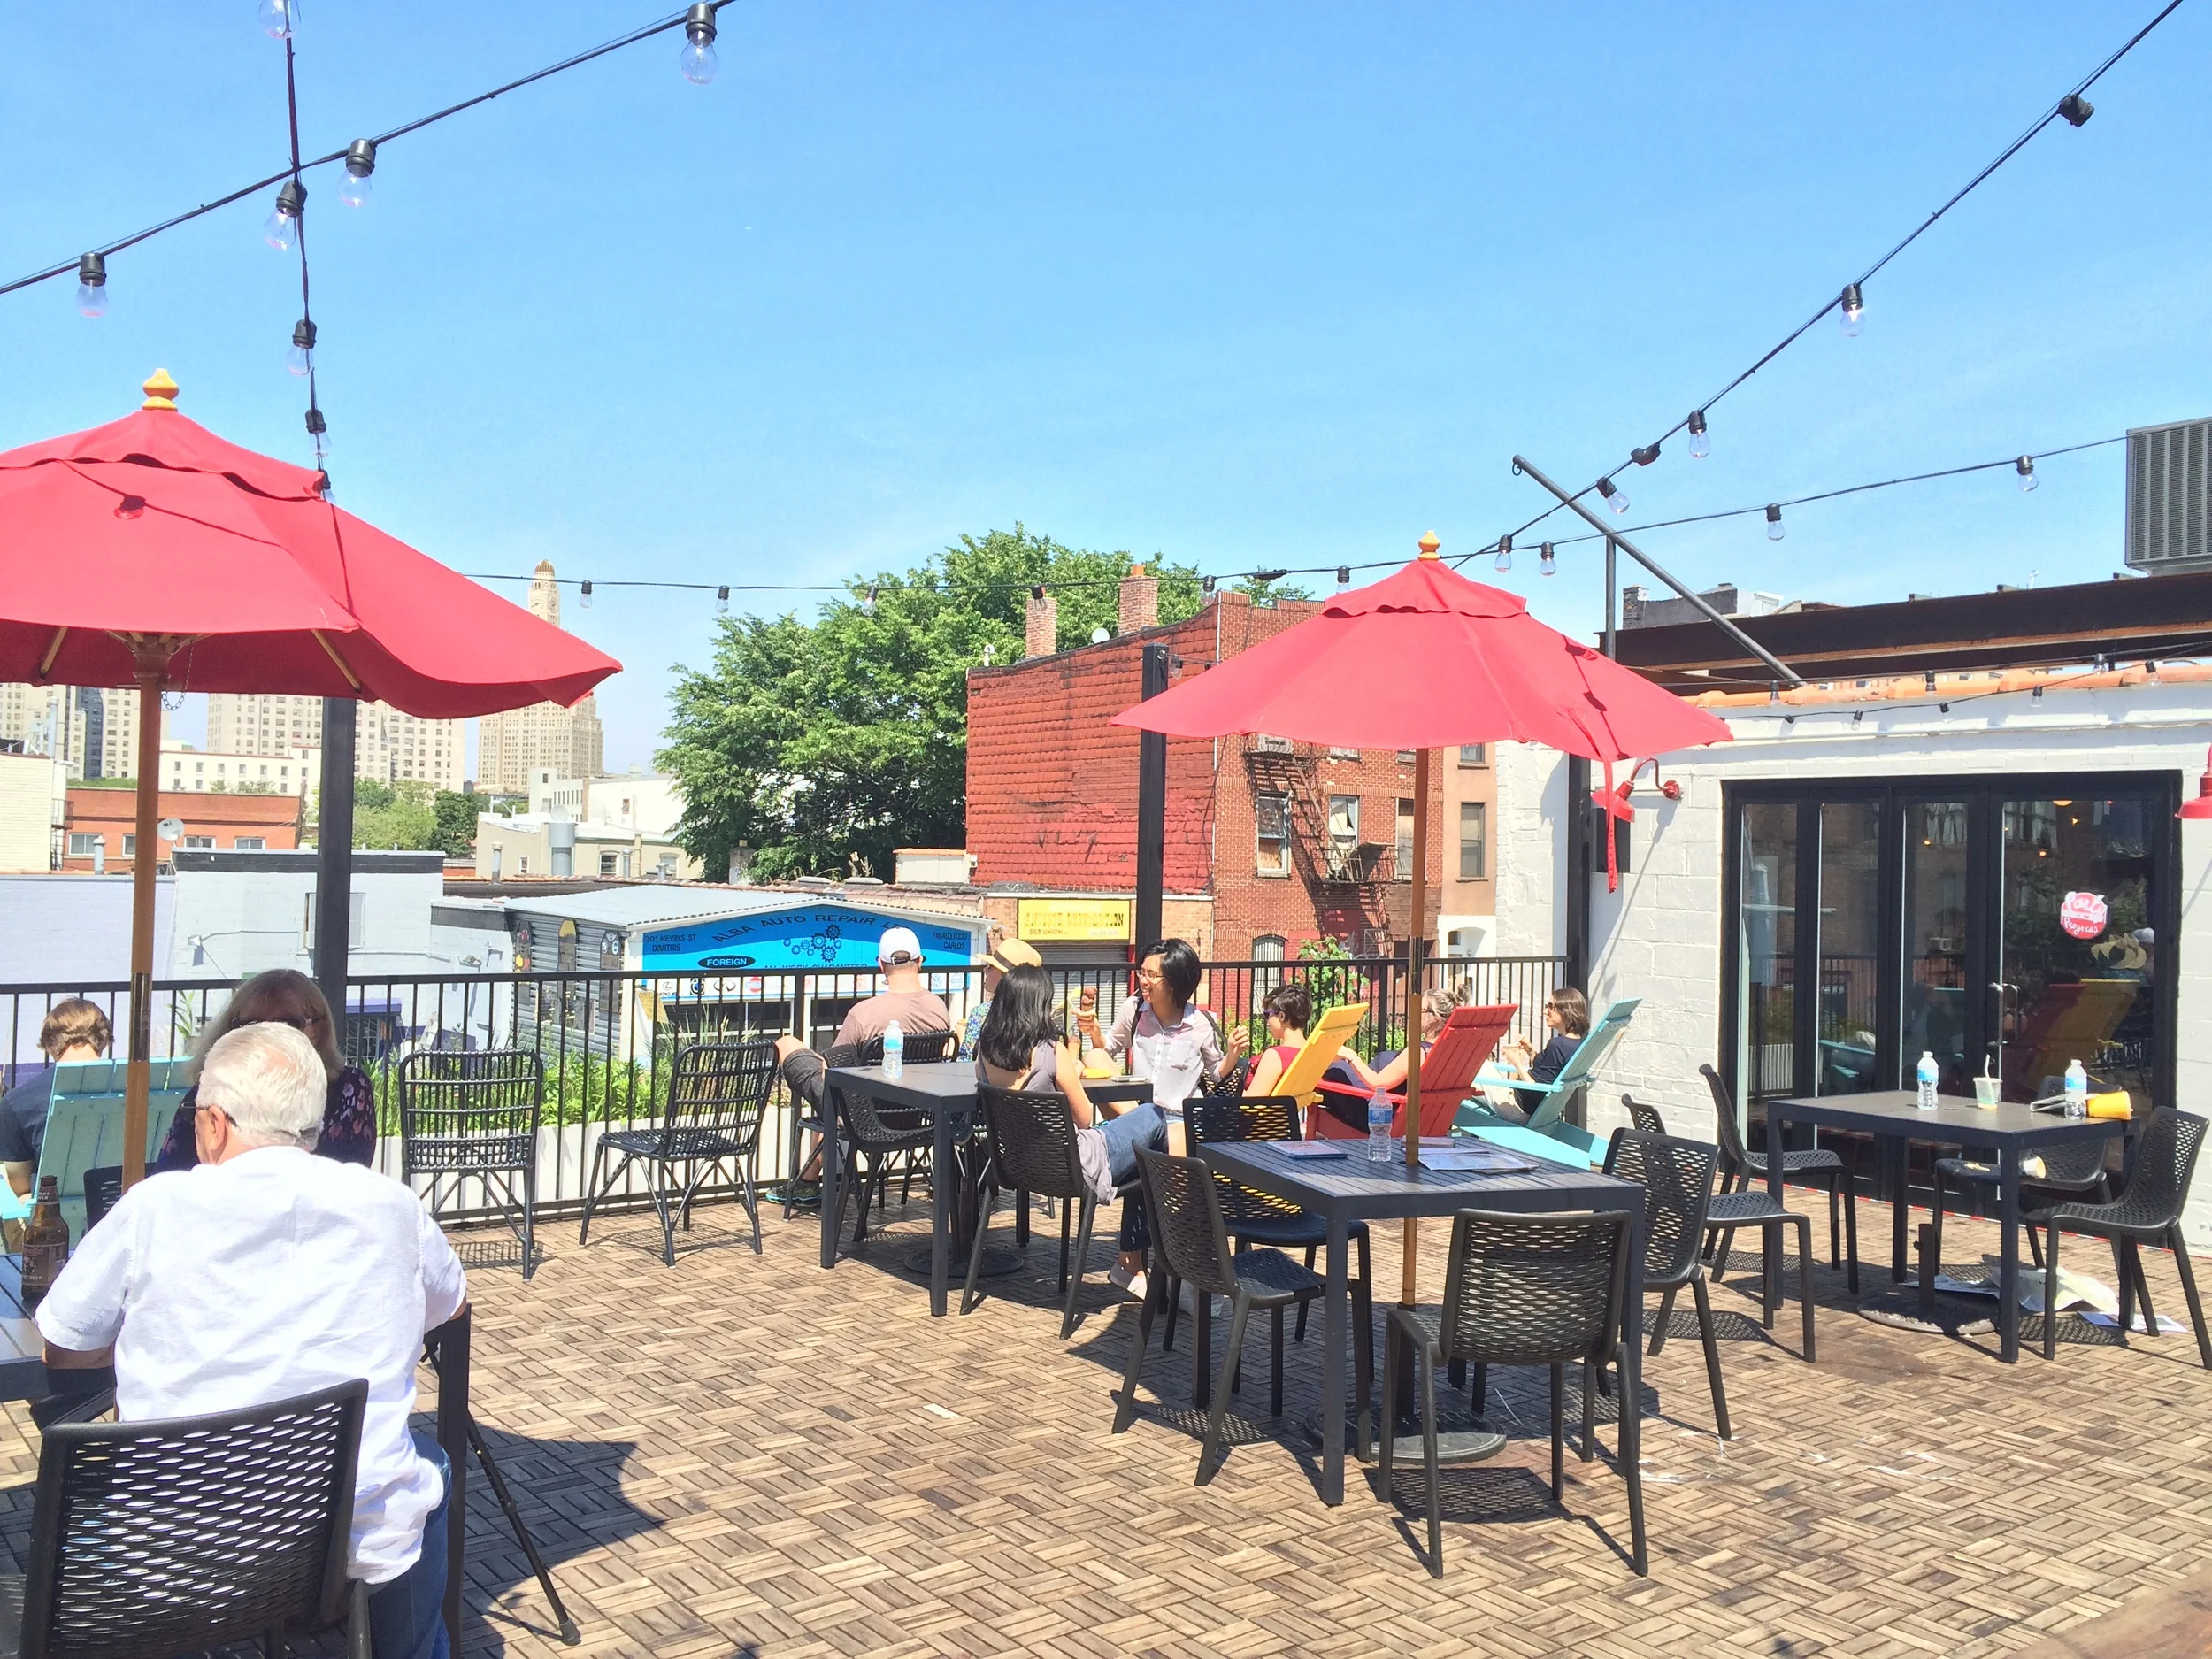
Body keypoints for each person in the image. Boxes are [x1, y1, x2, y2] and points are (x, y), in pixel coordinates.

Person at [35, 1022, 467, 1659]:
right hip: (339, 1545)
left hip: (173, 1554)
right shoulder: (391, 1204)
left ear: (213, 1124)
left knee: (82, 1501)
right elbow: (451, 1306)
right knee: (428, 1465)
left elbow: (64, 1346)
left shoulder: (154, 1206)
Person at [976, 964, 1166, 1297]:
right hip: (1074, 1166)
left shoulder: (984, 1051)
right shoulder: (1050, 1050)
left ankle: (1133, 1263)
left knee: (1144, 1151)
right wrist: (1074, 1070)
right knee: (1154, 1118)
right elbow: (1083, 1119)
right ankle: (1141, 1260)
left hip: (1017, 1167)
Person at [775, 926, 954, 1186]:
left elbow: (829, 1072)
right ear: (920, 961)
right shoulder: (939, 1008)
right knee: (831, 1095)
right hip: (918, 1115)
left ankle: (808, 1183)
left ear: (881, 965)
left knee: (787, 1044)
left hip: (864, 1118)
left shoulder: (864, 1013)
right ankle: (809, 1178)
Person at [154, 969, 375, 1173]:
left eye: (287, 1024)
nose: (267, 1035)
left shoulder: (348, 1088)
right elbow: (172, 1171)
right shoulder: (211, 1091)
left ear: (318, 1030)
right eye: (251, 1024)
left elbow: (338, 1175)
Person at [1074, 940, 1248, 1138]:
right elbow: (1107, 1050)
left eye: (1152, 975)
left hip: (1179, 1120)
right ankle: (1140, 1123)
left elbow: (1216, 1072)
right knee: (1094, 1056)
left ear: (1174, 981)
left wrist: (1233, 1054)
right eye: (1142, 972)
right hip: (1137, 1110)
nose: (1143, 980)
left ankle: (1139, 1129)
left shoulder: (1200, 1022)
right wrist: (1095, 1032)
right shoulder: (1134, 1009)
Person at [0, 999, 111, 1196]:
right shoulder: (142, 1089)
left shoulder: (16, 1104)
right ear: (104, 1038)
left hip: (54, 1211)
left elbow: (20, 1187)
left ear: (49, 1043)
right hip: (127, 1205)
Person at [1497, 987, 1591, 1116]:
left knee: (1479, 1068)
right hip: (1539, 1111)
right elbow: (1547, 1073)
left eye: (1550, 1007)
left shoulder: (1557, 1045)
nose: (1545, 1011)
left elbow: (1539, 1091)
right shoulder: (1577, 1044)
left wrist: (1516, 1063)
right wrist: (1531, 1052)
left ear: (1565, 1011)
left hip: (1518, 1107)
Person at [963, 932, 1042, 1060]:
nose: (985, 970)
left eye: (990, 966)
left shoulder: (981, 1014)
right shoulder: (1040, 1018)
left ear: (1006, 977)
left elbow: (966, 1059)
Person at [1242, 982, 1314, 1098]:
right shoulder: (1314, 1052)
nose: (1267, 1021)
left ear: (1282, 1016)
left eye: (1267, 1014)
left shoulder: (1275, 1056)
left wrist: (1232, 1089)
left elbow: (1252, 1102)